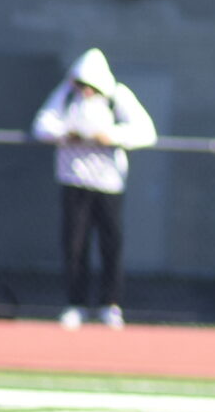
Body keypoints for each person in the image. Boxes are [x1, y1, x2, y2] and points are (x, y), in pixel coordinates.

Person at [29, 48, 156, 331]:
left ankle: (111, 304)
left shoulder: (117, 96)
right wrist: (65, 135)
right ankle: (76, 304)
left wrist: (109, 136)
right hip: (73, 181)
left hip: (109, 184)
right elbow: (42, 125)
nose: (85, 91)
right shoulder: (67, 94)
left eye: (90, 86)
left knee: (111, 244)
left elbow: (146, 131)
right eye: (81, 85)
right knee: (74, 244)